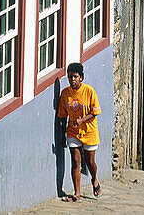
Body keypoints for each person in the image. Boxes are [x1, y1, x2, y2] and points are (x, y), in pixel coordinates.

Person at [57, 62, 101, 201]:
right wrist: (63, 135)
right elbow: (63, 117)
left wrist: (82, 120)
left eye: (75, 77)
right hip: (72, 132)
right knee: (75, 160)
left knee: (90, 161)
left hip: (89, 131)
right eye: (70, 77)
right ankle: (77, 193)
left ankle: (94, 179)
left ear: (81, 77)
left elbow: (95, 112)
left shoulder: (89, 91)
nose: (73, 80)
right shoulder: (65, 94)